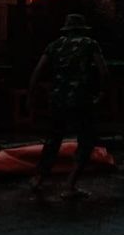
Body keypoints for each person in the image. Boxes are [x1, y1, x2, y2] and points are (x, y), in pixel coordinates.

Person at [28, 13, 108, 198]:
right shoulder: (90, 44)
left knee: (53, 139)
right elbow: (103, 72)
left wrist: (31, 96)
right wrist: (102, 94)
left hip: (58, 99)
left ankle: (39, 179)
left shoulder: (54, 45)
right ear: (82, 29)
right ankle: (70, 184)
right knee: (86, 140)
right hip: (81, 100)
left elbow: (38, 71)